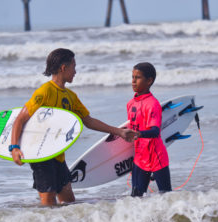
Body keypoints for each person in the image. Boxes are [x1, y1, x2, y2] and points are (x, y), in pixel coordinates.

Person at [10, 48, 137, 206]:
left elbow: (88, 121)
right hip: (41, 155)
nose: (75, 71)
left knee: (69, 201)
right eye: (74, 67)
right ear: (64, 68)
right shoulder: (44, 92)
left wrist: (119, 132)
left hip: (58, 155)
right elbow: (20, 120)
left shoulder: (71, 96)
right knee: (48, 205)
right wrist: (14, 147)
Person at [127, 62, 172, 197]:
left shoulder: (152, 104)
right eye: (132, 77)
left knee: (166, 196)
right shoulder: (130, 104)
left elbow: (155, 131)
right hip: (140, 158)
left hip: (156, 157)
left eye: (138, 77)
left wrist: (138, 134)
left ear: (149, 81)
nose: (133, 81)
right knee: (135, 197)